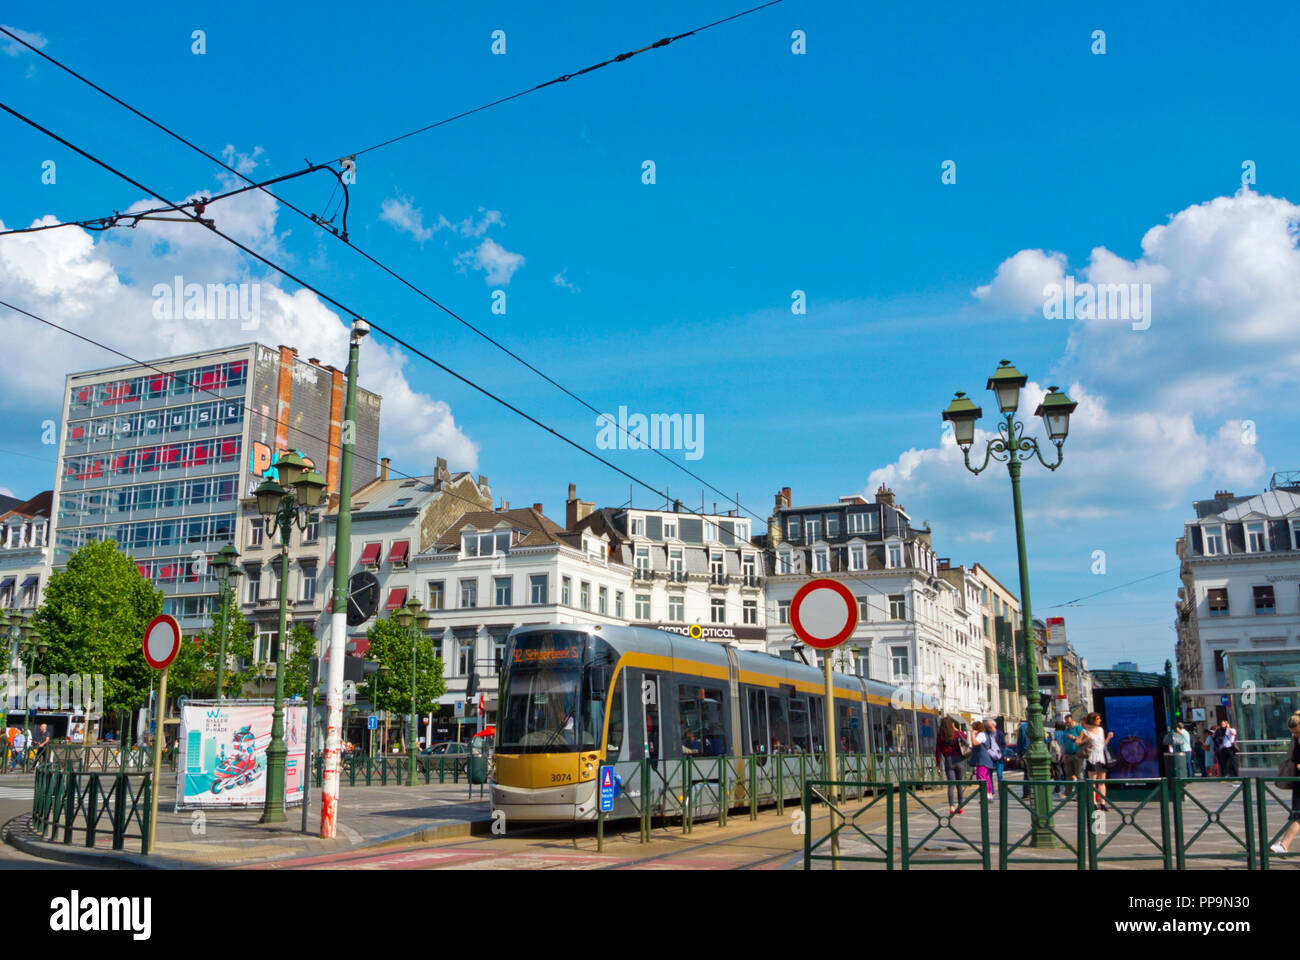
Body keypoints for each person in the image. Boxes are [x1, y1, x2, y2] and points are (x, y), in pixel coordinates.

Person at [1269, 711, 1300, 855]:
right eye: (1293, 733)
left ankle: (1284, 845)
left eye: (1298, 733)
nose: (1296, 736)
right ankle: (1284, 845)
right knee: (1297, 815)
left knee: (1298, 816)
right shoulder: (1295, 740)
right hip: (1298, 783)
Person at [1077, 711, 1113, 811]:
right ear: (1093, 720)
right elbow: (1077, 742)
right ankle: (1093, 803)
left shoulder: (1101, 730)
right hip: (1091, 757)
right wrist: (1085, 740)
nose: (1100, 720)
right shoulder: (1085, 731)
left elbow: (1103, 744)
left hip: (1101, 757)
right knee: (1092, 781)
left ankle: (1102, 803)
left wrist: (1109, 737)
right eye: (1098, 719)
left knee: (1102, 781)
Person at [935, 716, 969, 815]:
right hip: (959, 760)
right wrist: (956, 729)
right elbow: (965, 738)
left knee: (951, 785)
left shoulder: (940, 736)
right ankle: (960, 806)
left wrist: (938, 766)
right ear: (952, 725)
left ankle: (951, 807)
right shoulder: (956, 734)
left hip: (948, 761)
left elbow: (937, 752)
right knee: (959, 784)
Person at [970, 720, 995, 799]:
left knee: (981, 777)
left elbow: (975, 743)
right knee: (987, 778)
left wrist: (973, 734)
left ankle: (985, 795)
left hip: (982, 760)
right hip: (985, 759)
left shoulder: (981, 735)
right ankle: (989, 795)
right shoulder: (985, 734)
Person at [986, 719, 1006, 789]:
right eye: (987, 727)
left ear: (994, 726)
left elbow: (1004, 745)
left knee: (999, 774)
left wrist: (998, 751)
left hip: (999, 758)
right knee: (989, 775)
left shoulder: (1000, 734)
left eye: (990, 727)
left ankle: (1001, 792)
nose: (988, 728)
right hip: (990, 758)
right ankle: (991, 791)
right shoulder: (987, 734)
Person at [1050, 720, 1067, 793]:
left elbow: (1048, 743)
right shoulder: (1065, 733)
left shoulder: (1052, 734)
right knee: (1065, 771)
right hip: (1064, 754)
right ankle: (1067, 787)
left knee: (1057, 771)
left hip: (1055, 755)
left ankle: (1057, 788)